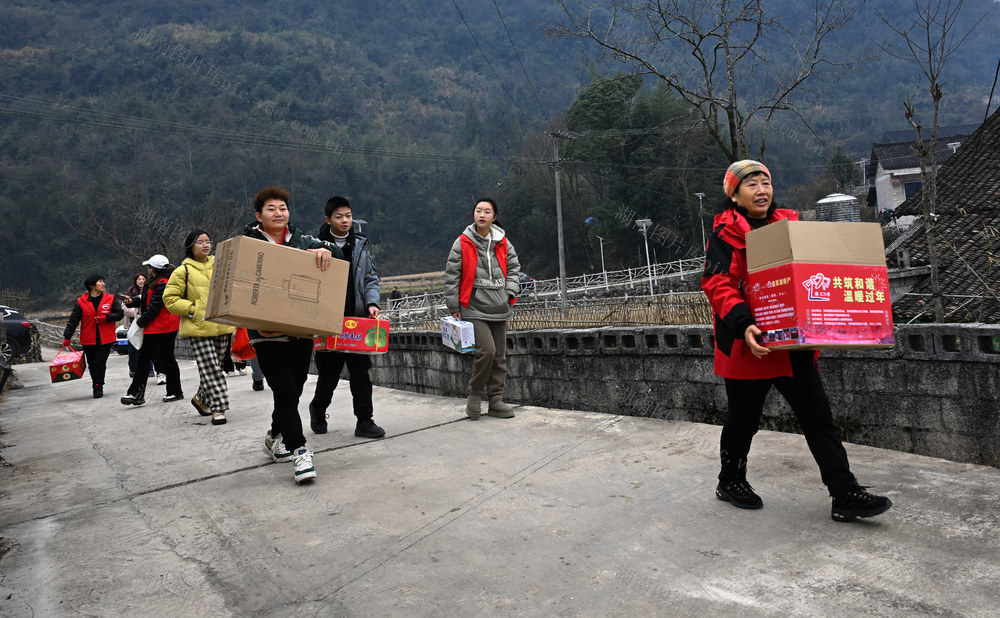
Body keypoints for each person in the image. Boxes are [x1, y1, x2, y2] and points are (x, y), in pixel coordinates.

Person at [701, 159, 892, 523]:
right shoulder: (725, 236)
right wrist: (744, 325)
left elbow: (816, 268)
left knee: (819, 420)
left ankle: (845, 493)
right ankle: (730, 480)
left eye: (766, 183)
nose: (761, 190)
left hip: (794, 347)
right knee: (743, 422)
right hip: (750, 346)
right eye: (751, 184)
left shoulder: (789, 227)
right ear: (735, 194)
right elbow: (718, 285)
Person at [244, 185, 343, 484]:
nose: (279, 213)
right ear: (259, 215)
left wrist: (326, 250)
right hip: (265, 332)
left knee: (295, 388)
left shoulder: (302, 240)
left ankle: (274, 434)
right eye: (271, 209)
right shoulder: (248, 243)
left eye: (283, 208)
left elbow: (338, 251)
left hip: (300, 328)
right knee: (285, 390)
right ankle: (299, 450)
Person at [308, 195, 385, 439]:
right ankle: (318, 408)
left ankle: (365, 421)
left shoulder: (361, 243)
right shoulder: (314, 245)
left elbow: (370, 277)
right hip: (328, 322)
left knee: (361, 373)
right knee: (329, 375)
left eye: (348, 216)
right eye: (339, 216)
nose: (345, 220)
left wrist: (372, 303)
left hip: (357, 321)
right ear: (327, 219)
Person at [444, 197, 521, 420]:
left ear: (494, 217)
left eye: (487, 212)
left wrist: (510, 292)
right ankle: (475, 394)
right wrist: (454, 305)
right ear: (473, 215)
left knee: (499, 356)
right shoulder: (463, 242)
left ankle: (496, 400)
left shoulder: (503, 241)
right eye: (478, 211)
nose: (482, 215)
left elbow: (514, 267)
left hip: (499, 305)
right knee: (486, 351)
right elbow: (452, 275)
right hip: (474, 307)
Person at [163, 230, 236, 426]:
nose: (205, 245)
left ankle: (200, 399)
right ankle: (218, 408)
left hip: (222, 325)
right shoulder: (182, 271)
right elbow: (169, 299)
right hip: (198, 327)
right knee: (212, 368)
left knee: (215, 367)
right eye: (200, 242)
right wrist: (193, 310)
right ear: (190, 247)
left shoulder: (220, 266)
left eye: (208, 241)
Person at [120, 254, 183, 406]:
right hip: (159, 326)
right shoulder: (156, 281)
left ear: (153, 269)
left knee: (161, 359)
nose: (147, 270)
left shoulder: (162, 283)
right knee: (161, 359)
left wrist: (141, 322)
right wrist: (132, 301)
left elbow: (155, 306)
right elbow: (144, 298)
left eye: (148, 267)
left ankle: (139, 393)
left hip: (161, 326)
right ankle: (141, 393)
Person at [62, 274, 124, 398]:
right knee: (92, 364)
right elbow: (74, 320)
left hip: (106, 338)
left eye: (103, 281)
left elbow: (119, 314)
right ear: (91, 285)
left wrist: (106, 318)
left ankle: (98, 386)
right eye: (100, 282)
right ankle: (96, 383)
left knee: (100, 362)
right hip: (88, 338)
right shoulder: (81, 301)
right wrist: (67, 336)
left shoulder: (110, 299)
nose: (103, 284)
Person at [122, 272, 162, 380]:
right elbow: (126, 309)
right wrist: (138, 311)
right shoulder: (130, 292)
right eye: (139, 279)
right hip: (133, 324)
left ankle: (150, 370)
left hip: (148, 324)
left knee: (149, 348)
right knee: (133, 349)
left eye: (143, 279)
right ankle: (133, 369)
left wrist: (142, 311)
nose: (141, 281)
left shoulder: (151, 290)